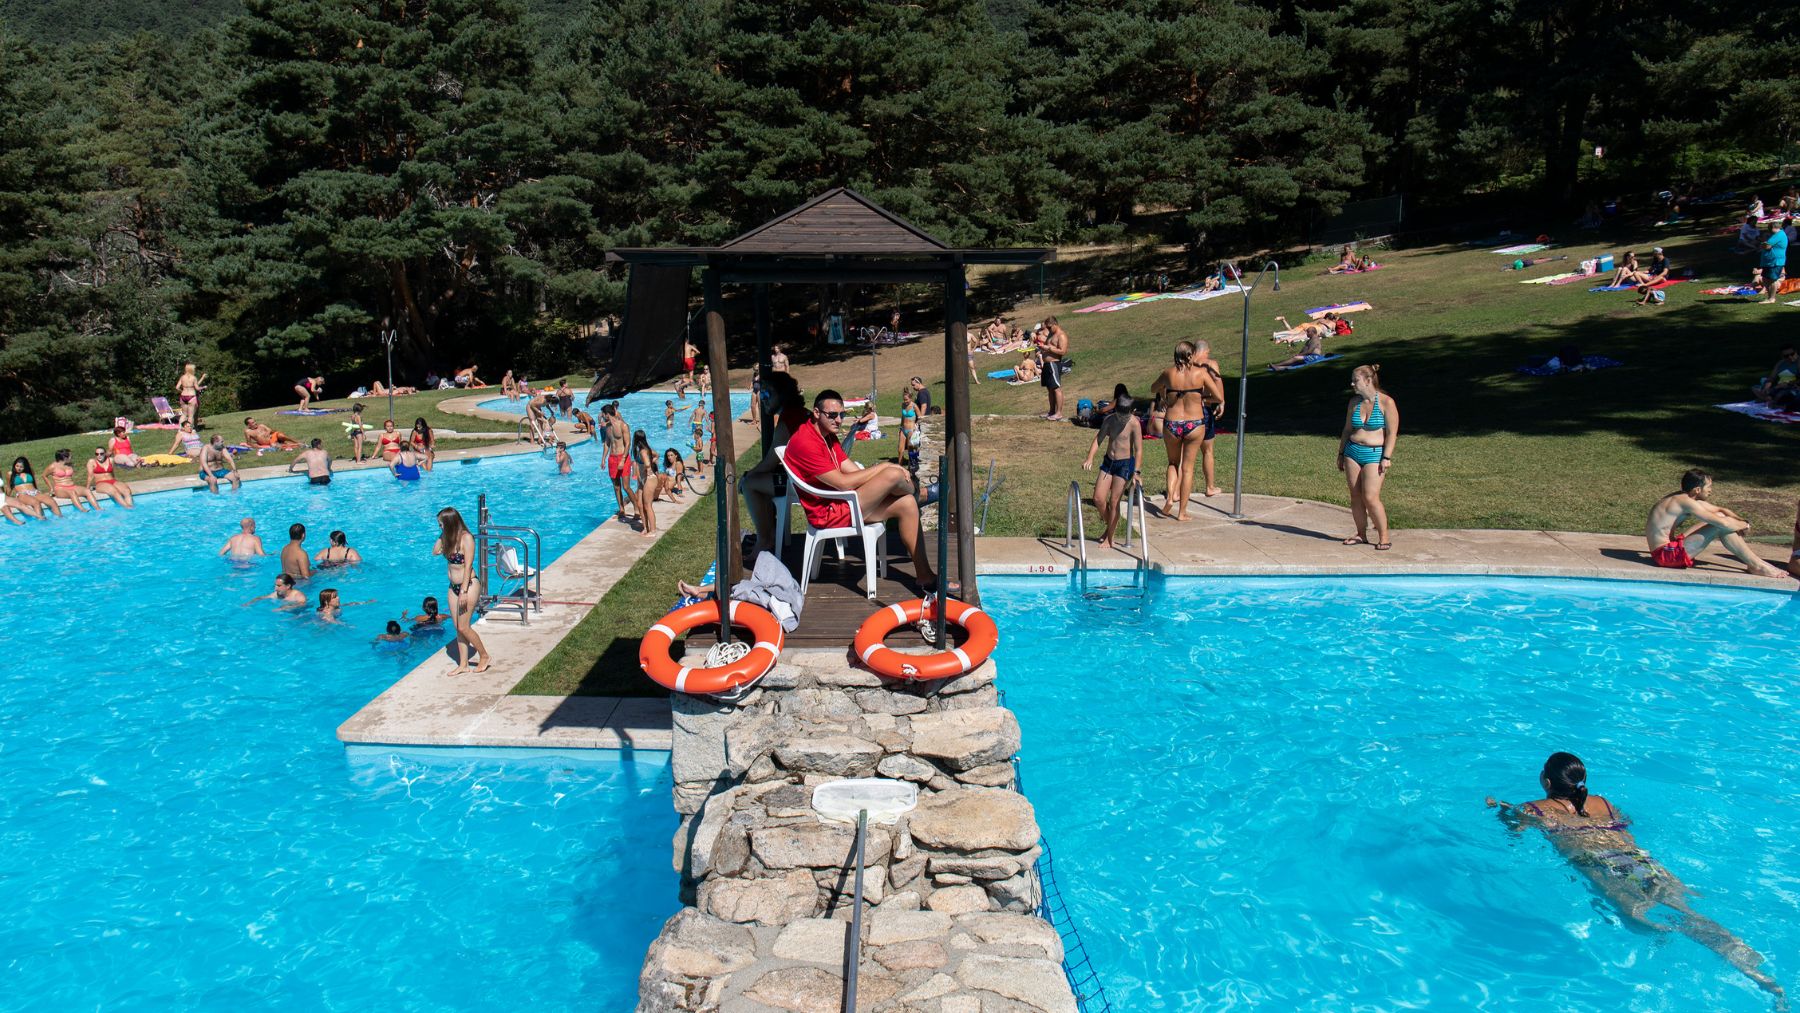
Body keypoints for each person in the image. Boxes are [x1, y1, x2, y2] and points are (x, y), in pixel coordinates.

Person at [1486, 753, 1785, 1001]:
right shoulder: (1601, 802)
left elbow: (1515, 831)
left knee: (1638, 920)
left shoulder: (1534, 809)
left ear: (1546, 781)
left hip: (1600, 865)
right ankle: (1756, 971)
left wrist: (1501, 811)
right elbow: (1624, 823)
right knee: (1688, 912)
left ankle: (1668, 934)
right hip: (1641, 861)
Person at [785, 389, 939, 592]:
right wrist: (884, 468)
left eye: (842, 415)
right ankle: (920, 494)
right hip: (829, 513)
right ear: (816, 412)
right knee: (892, 475)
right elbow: (843, 483)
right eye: (832, 415)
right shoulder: (805, 442)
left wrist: (879, 480)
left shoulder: (827, 436)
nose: (838, 420)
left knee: (907, 504)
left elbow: (851, 470)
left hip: (843, 502)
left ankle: (924, 576)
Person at [1644, 469, 1785, 577]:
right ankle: (1756, 565)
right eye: (1709, 487)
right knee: (1720, 526)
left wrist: (1741, 521)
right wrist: (1745, 526)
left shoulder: (1681, 497)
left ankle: (1755, 563)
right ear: (1697, 490)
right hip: (1665, 556)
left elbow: (1721, 510)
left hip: (1668, 549)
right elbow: (1723, 524)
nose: (1711, 490)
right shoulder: (1685, 502)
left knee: (1719, 517)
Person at [1151, 341, 1224, 519]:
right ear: (1191, 355)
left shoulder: (1168, 373)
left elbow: (1153, 388)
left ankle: (1170, 498)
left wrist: (1164, 393)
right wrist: (1201, 396)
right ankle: (1182, 512)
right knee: (1188, 469)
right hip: (1194, 423)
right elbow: (1218, 396)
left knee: (1173, 463)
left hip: (1172, 423)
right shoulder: (1201, 373)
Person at [1337, 364, 1399, 549]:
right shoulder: (1354, 403)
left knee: (1371, 497)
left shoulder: (1387, 403)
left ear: (1368, 380)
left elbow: (1392, 433)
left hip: (1374, 454)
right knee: (1355, 496)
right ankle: (1361, 534)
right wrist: (1340, 453)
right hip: (1352, 452)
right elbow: (1347, 429)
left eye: (1355, 380)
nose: (1352, 384)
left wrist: (1386, 457)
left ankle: (1384, 536)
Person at [1081, 392, 1144, 547]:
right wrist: (1090, 457)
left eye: (1125, 416)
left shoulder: (1134, 424)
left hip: (1124, 465)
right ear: (1115, 410)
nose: (1122, 419)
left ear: (1132, 412)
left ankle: (1110, 538)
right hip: (1109, 462)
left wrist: (1136, 472)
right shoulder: (1110, 420)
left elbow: (1139, 450)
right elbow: (1099, 439)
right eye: (1119, 415)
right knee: (1098, 498)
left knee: (1114, 501)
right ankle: (1110, 525)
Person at [433, 506, 490, 674]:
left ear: (449, 523)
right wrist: (442, 535)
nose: (439, 527)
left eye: (441, 525)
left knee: (464, 627)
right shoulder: (447, 538)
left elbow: (468, 566)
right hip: (453, 587)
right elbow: (435, 552)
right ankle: (463, 664)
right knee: (458, 627)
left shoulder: (467, 538)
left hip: (469, 585)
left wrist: (464, 591)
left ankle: (484, 655)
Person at [600, 403, 635, 524]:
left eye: (603, 414)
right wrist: (603, 458)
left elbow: (628, 444)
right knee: (616, 486)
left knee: (626, 486)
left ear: (606, 414)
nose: (602, 416)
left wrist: (623, 459)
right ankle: (621, 509)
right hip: (612, 458)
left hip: (623, 457)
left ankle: (637, 509)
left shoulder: (623, 425)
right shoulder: (607, 427)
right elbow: (607, 444)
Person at [1033, 318, 1070, 420]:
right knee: (1049, 389)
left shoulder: (1061, 335)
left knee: (1056, 388)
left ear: (1055, 324)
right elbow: (1048, 346)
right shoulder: (1050, 334)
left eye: (1049, 327)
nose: (1048, 329)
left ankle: (1059, 413)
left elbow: (1063, 351)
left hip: (1054, 364)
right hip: (1047, 364)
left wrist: (1048, 348)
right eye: (1047, 327)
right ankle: (1052, 411)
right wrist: (1041, 348)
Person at [631, 430, 659, 537]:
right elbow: (657, 455)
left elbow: (647, 463)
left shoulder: (643, 451)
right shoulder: (642, 450)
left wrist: (648, 466)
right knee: (640, 505)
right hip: (642, 480)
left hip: (649, 478)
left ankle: (653, 530)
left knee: (647, 505)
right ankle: (645, 528)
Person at [1758, 223, 1789, 304]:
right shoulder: (1776, 235)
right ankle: (1769, 297)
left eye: (1769, 228)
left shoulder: (1779, 235)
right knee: (1765, 278)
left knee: (1772, 280)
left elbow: (1767, 246)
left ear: (1773, 227)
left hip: (1775, 261)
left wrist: (1763, 244)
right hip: (1769, 262)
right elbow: (1767, 246)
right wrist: (1764, 244)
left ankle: (1772, 298)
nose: (1768, 230)